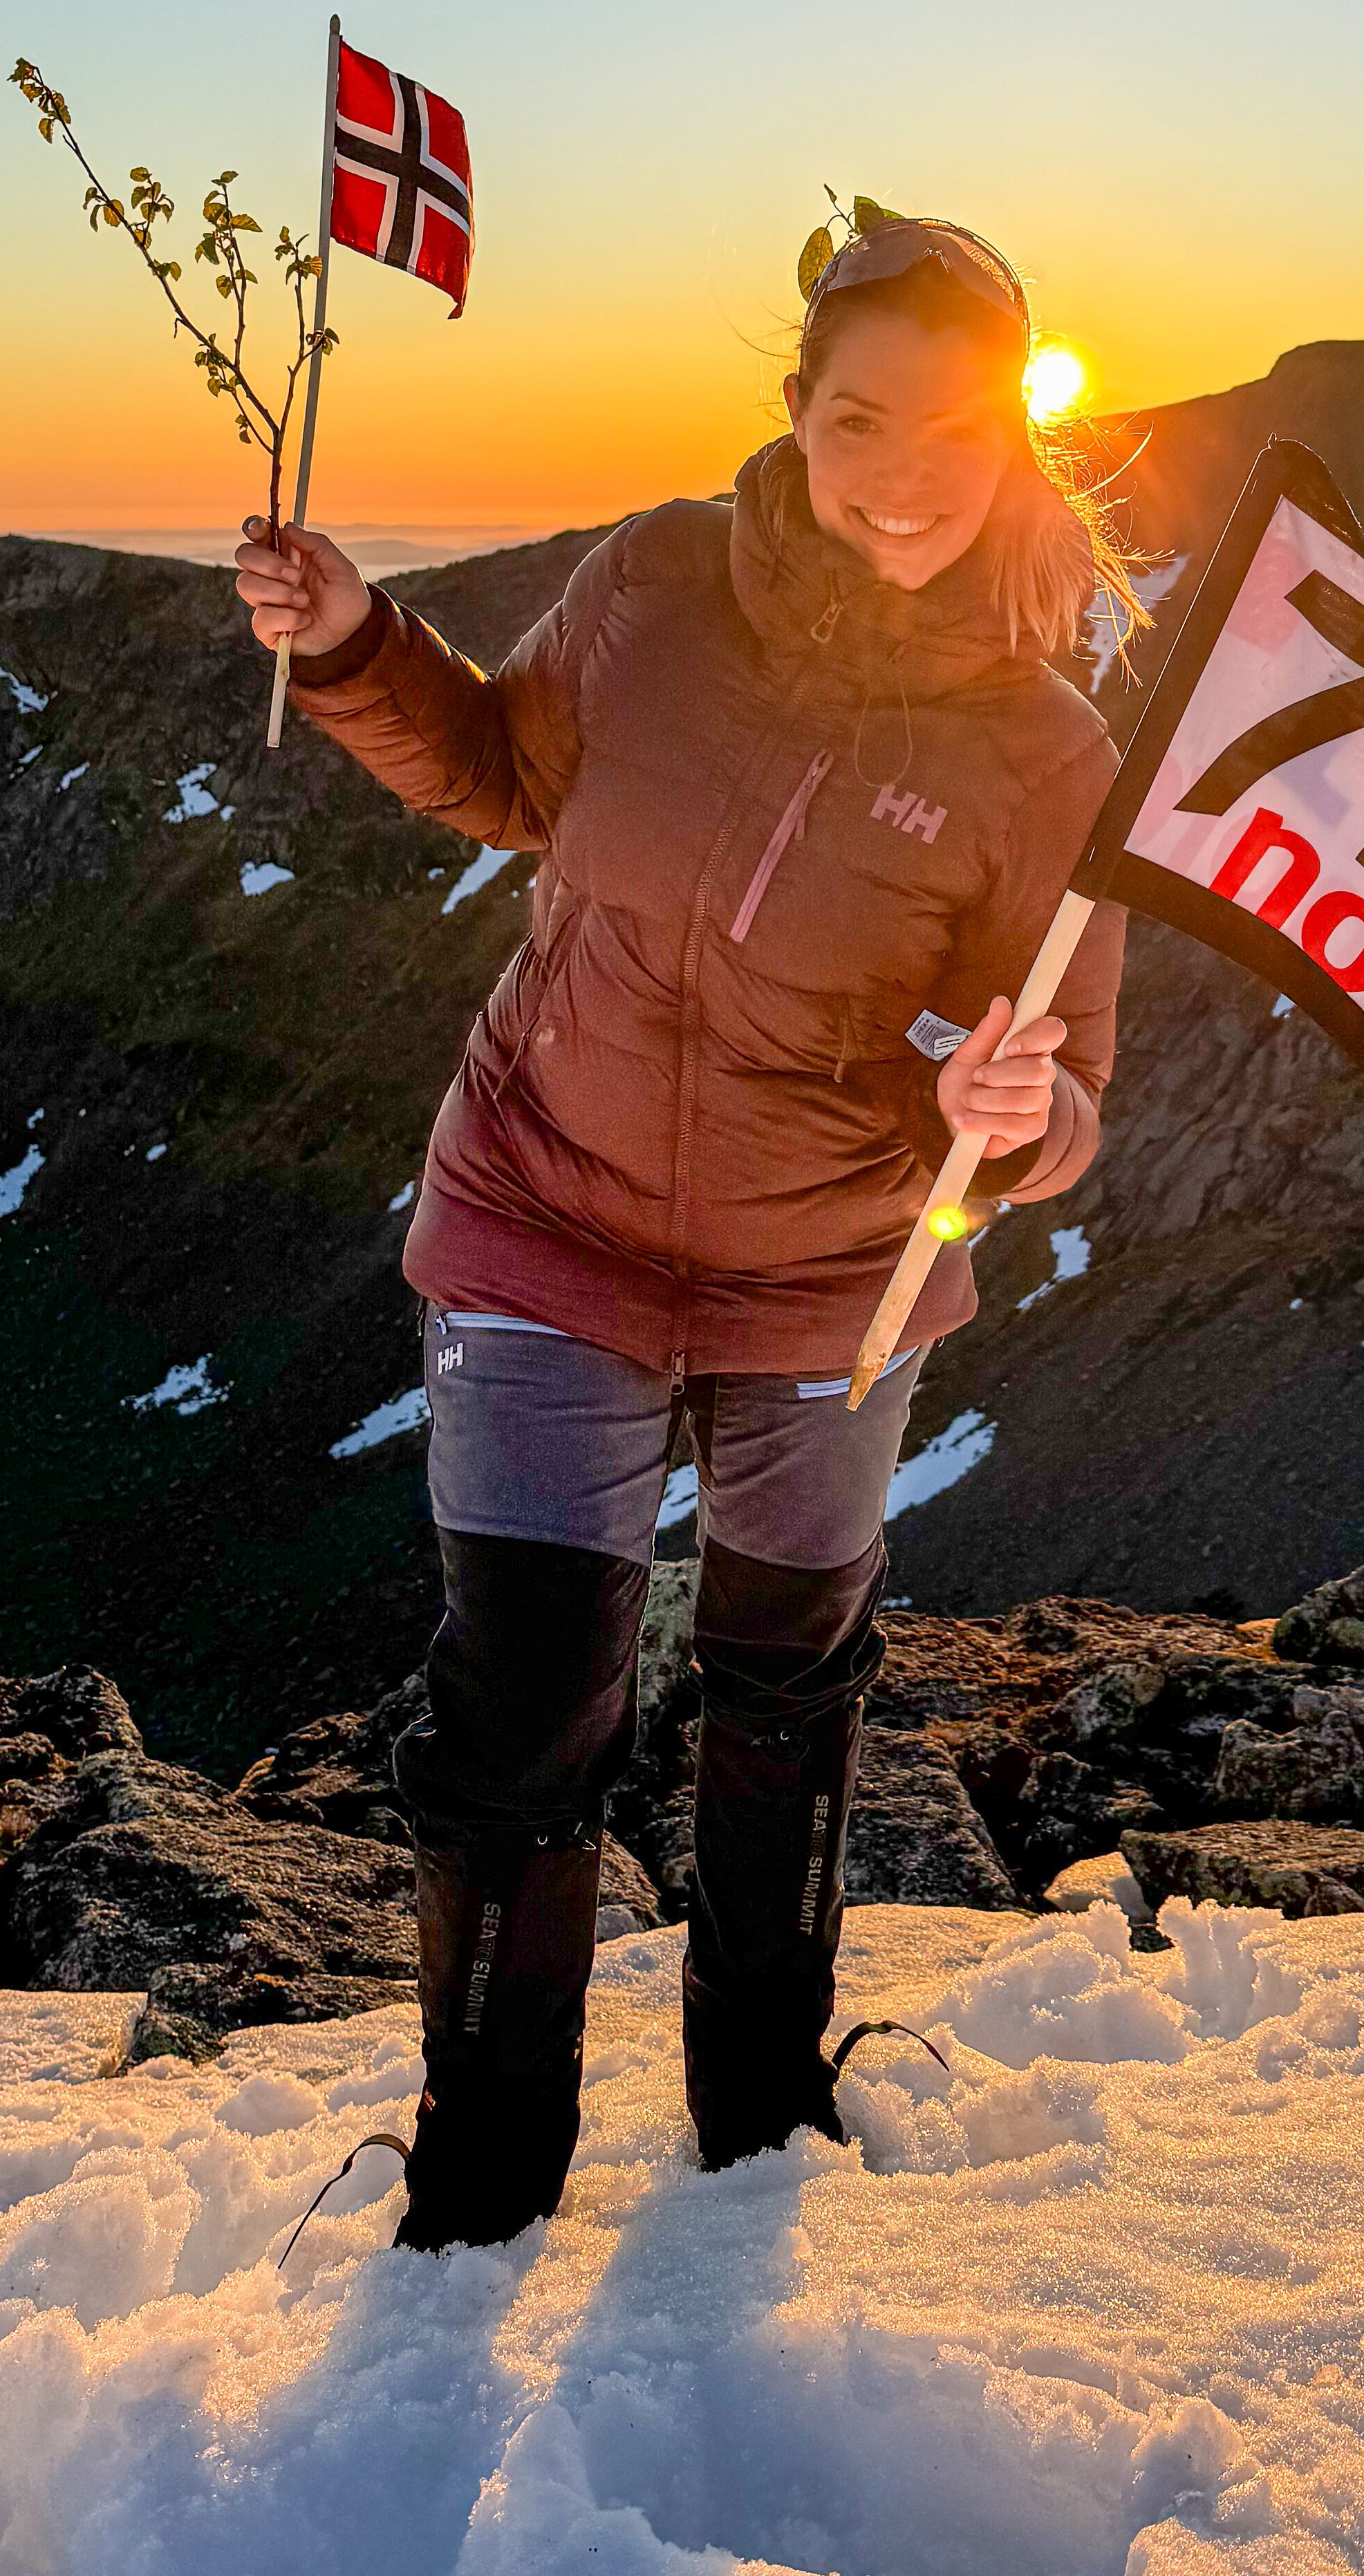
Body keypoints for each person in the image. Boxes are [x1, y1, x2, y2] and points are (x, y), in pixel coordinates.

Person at [233, 209, 1132, 2250]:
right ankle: (479, 2185)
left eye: (948, 428)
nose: (896, 467)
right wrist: (359, 643)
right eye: (854, 416)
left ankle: (754, 2123)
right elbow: (494, 774)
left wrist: (1020, 1117)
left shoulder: (1046, 751)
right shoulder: (651, 586)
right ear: (795, 411)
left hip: (831, 1278)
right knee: (519, 1707)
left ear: (1015, 441)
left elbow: (1064, 1082)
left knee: (782, 1685)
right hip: (543, 1210)